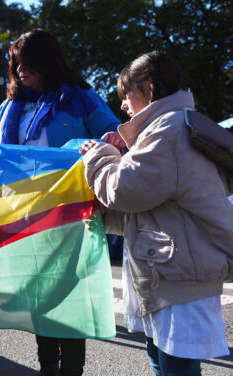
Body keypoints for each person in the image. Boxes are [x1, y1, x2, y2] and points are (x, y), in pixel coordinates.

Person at [80, 51, 233, 376]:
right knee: (161, 358)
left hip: (178, 277)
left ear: (148, 86)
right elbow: (156, 206)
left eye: (127, 94)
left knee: (175, 366)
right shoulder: (175, 126)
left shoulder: (167, 132)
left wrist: (101, 156)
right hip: (173, 269)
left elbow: (126, 190)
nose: (122, 105)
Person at [0, 30, 119, 376]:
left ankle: (71, 370)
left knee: (69, 296)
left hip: (70, 214)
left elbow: (114, 138)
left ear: (47, 63)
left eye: (28, 63)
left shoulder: (81, 98)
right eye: (16, 63)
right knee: (39, 296)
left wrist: (96, 146)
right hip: (23, 215)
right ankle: (47, 367)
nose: (21, 70)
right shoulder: (10, 107)